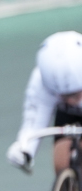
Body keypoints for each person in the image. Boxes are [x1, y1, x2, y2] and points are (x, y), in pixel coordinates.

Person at [7, 29, 82, 172]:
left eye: (76, 94)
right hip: (68, 117)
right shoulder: (41, 82)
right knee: (62, 162)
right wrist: (24, 149)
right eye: (64, 96)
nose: (71, 101)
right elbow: (34, 121)